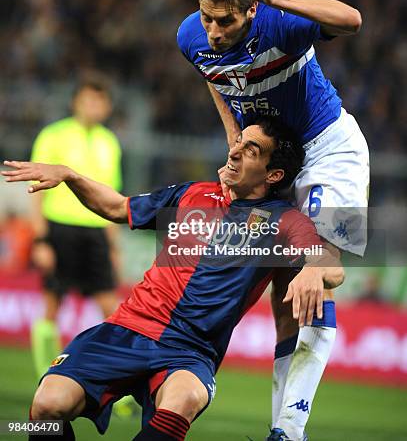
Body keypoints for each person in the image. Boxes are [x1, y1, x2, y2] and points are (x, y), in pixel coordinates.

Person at [1, 117, 344, 441]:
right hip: (128, 328)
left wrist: (313, 268)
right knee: (46, 407)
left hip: (190, 351)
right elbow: (118, 208)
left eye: (251, 150)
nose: (234, 151)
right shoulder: (192, 194)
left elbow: (333, 264)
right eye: (238, 142)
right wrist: (70, 175)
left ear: (273, 174)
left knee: (185, 397)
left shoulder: (284, 220)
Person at [177, 0, 369, 440]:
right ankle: (284, 430)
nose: (214, 30)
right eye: (207, 17)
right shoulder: (190, 37)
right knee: (286, 300)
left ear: (251, 10)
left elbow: (352, 20)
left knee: (320, 275)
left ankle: (289, 429)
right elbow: (216, 81)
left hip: (328, 149)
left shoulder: (282, 24)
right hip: (274, 164)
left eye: (226, 20)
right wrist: (234, 141)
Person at [29, 77, 122, 379]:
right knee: (52, 308)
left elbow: (113, 199)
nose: (93, 107)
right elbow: (37, 191)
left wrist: (113, 246)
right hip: (60, 229)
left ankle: (114, 381)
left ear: (107, 107)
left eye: (99, 101)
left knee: (113, 309)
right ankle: (47, 377)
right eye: (87, 100)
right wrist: (41, 239)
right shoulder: (53, 135)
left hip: (95, 232)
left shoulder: (110, 142)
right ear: (76, 102)